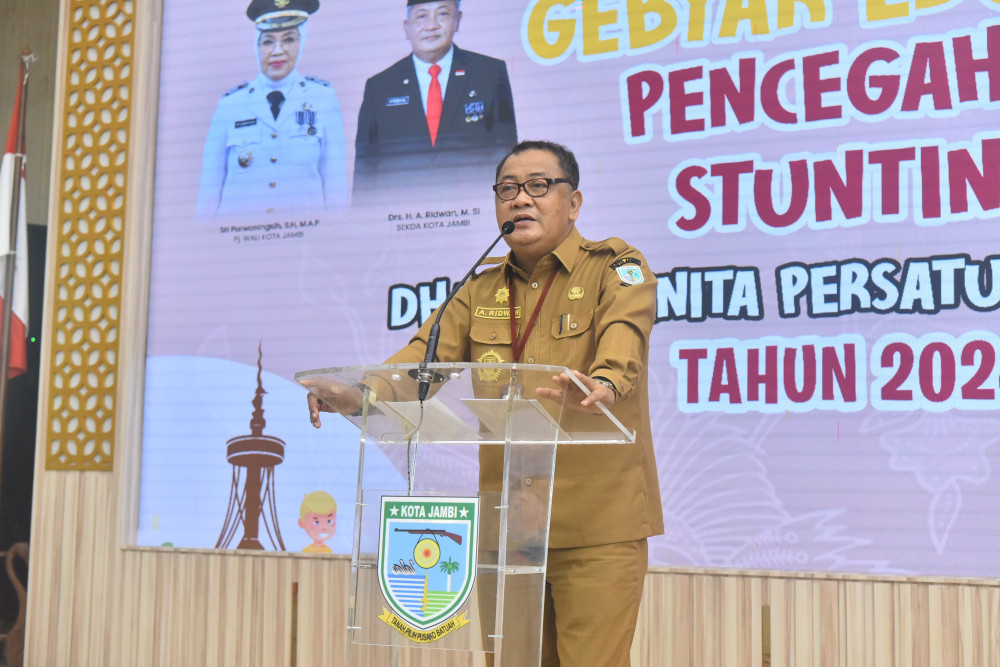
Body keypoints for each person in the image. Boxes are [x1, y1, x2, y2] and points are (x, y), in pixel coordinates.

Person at [309, 140, 663, 666]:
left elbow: (624, 334)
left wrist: (605, 383)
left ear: (574, 203)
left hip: (597, 525)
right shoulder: (479, 288)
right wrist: (359, 394)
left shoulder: (615, 268)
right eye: (507, 189)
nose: (520, 199)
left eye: (539, 186)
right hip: (511, 527)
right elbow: (421, 361)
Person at [196, 0, 348, 217]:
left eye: (288, 40)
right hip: (241, 234)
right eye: (268, 42)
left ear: (301, 42)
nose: (277, 51)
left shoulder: (323, 99)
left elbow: (335, 184)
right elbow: (209, 189)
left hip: (304, 233)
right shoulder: (230, 105)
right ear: (256, 46)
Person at [352, 0, 517, 198]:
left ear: (458, 20)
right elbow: (365, 170)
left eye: (442, 14)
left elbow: (506, 153)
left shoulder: (489, 73)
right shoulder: (379, 86)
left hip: (472, 209)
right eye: (421, 16)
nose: (431, 25)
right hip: (401, 212)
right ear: (406, 27)